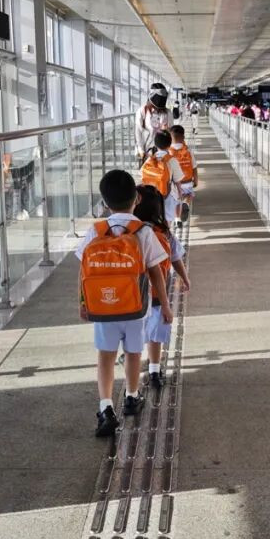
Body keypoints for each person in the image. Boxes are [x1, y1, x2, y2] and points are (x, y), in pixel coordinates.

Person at [76, 170, 171, 436]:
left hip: (102, 307)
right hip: (135, 308)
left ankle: (106, 407)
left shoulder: (95, 231)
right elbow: (156, 273)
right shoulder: (143, 232)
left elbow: (83, 270)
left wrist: (83, 302)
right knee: (133, 353)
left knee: (105, 356)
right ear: (136, 199)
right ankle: (131, 396)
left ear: (105, 202)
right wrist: (164, 304)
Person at [132, 185, 190, 391]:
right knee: (155, 335)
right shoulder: (163, 232)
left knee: (135, 334)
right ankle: (155, 371)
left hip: (134, 296)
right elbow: (175, 258)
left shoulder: (130, 232)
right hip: (158, 295)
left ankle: (132, 371)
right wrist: (185, 278)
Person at [141, 129, 185, 226]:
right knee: (167, 223)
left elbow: (142, 176)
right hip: (166, 195)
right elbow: (178, 181)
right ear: (170, 145)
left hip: (150, 196)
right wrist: (180, 193)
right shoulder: (171, 160)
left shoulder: (149, 160)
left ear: (155, 144)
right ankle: (176, 221)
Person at [135, 84, 173, 162]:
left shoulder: (167, 112)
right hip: (146, 151)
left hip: (162, 151)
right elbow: (138, 132)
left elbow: (171, 131)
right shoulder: (142, 111)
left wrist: (166, 130)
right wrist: (141, 150)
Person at [169, 124, 197, 225]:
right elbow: (194, 167)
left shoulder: (169, 152)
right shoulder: (188, 151)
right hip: (187, 182)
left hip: (175, 184)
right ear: (183, 137)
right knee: (189, 195)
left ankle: (177, 219)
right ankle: (186, 203)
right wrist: (196, 181)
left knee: (176, 200)